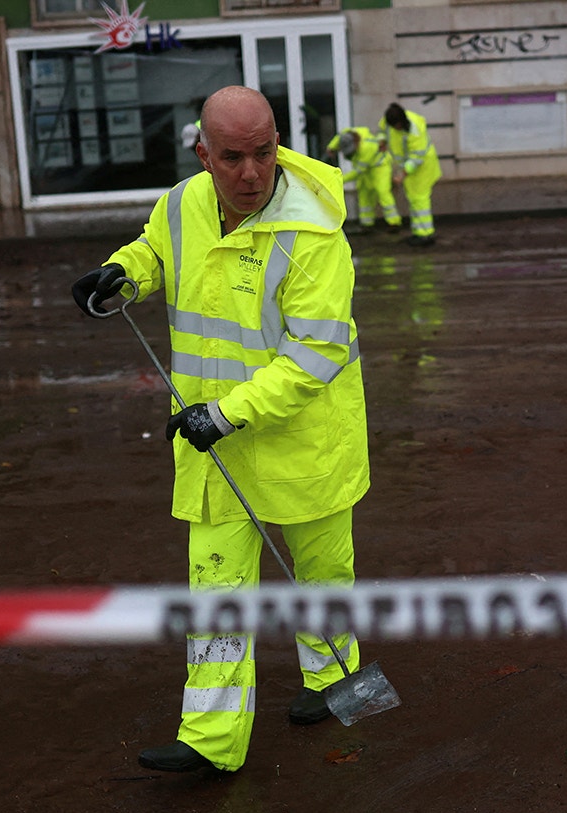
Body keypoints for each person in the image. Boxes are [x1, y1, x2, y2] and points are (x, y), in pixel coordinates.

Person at [70, 85, 370, 774]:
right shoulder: (180, 205)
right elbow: (155, 249)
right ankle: (212, 740)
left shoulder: (314, 232)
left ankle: (332, 678)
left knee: (321, 572)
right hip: (216, 442)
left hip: (303, 439)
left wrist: (227, 412)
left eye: (263, 154)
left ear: (278, 144)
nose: (250, 174)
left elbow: (316, 354)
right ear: (203, 153)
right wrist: (124, 273)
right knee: (216, 586)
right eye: (231, 157)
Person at [377, 102, 441, 247]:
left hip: (423, 166)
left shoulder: (415, 130)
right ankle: (419, 232)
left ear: (402, 121)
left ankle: (426, 234)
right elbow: (381, 129)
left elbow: (417, 158)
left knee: (419, 199)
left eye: (398, 126)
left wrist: (402, 174)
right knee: (413, 198)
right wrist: (382, 141)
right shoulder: (388, 122)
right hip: (409, 167)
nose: (396, 129)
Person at [325, 126, 402, 234]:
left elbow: (357, 172)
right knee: (364, 193)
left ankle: (394, 222)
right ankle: (367, 224)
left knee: (382, 191)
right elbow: (339, 138)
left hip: (380, 165)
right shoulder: (347, 135)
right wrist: (331, 147)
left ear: (356, 144)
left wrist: (339, 180)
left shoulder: (367, 148)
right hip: (367, 167)